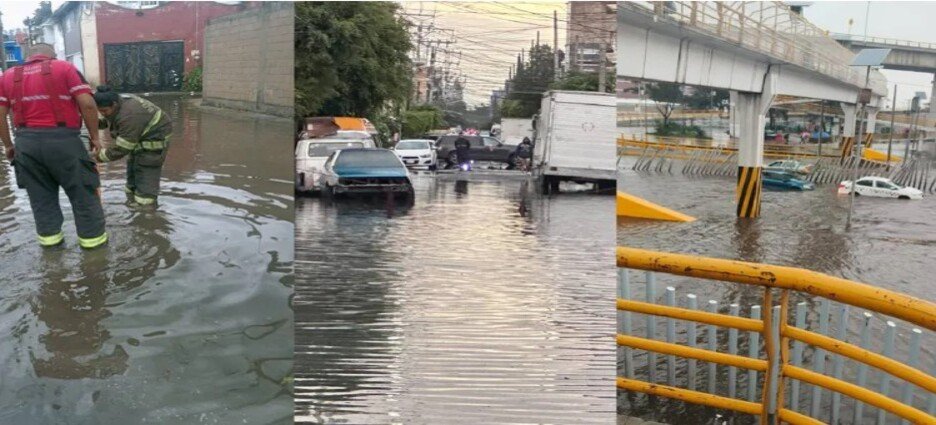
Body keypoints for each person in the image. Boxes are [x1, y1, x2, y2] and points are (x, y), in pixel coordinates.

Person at [0, 43, 106, 249]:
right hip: (64, 142)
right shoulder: (64, 68)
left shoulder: (7, 76)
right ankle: (94, 251)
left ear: (28, 57)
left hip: (26, 145)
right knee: (83, 195)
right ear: (52, 56)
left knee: (41, 200)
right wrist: (95, 137)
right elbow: (87, 104)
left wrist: (8, 145)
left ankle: (52, 251)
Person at [93, 86, 172, 206]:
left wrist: (98, 157)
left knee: (146, 180)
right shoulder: (120, 102)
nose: (102, 114)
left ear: (114, 105)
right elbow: (111, 119)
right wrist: (93, 122)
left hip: (154, 143)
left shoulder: (129, 115)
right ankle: (131, 201)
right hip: (140, 138)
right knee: (132, 175)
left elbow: (122, 149)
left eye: (104, 111)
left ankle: (146, 211)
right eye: (100, 111)